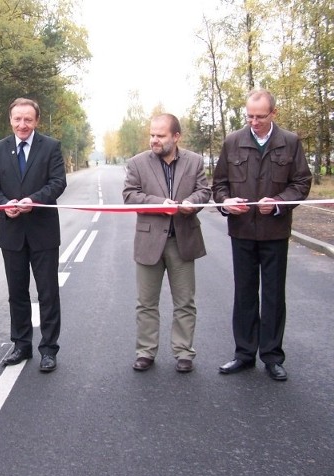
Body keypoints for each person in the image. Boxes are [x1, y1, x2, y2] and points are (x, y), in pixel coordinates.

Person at [212, 88, 312, 381]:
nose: (253, 122)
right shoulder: (232, 142)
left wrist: (280, 203)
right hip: (242, 231)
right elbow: (219, 185)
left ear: (273, 114)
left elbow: (302, 182)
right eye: (249, 116)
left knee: (273, 295)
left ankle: (272, 356)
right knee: (244, 294)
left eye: (260, 117)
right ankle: (243, 354)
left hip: (275, 232)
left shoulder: (290, 142)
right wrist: (226, 203)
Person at [122, 114, 211, 373]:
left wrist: (191, 202)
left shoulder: (194, 161)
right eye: (152, 135)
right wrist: (159, 204)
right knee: (146, 302)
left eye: (160, 135)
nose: (154, 140)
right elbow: (130, 195)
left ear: (176, 137)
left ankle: (184, 352)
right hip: (149, 241)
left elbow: (204, 191)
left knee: (184, 302)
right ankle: (146, 352)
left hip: (182, 240)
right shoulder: (137, 163)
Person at [0, 98, 67, 372]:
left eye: (28, 120)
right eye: (18, 119)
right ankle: (21, 345)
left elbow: (58, 182)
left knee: (47, 293)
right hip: (12, 234)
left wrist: (34, 199)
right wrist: (3, 205)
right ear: (10, 119)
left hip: (43, 232)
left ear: (36, 121)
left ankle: (48, 349)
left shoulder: (51, 147)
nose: (22, 124)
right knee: (17, 293)